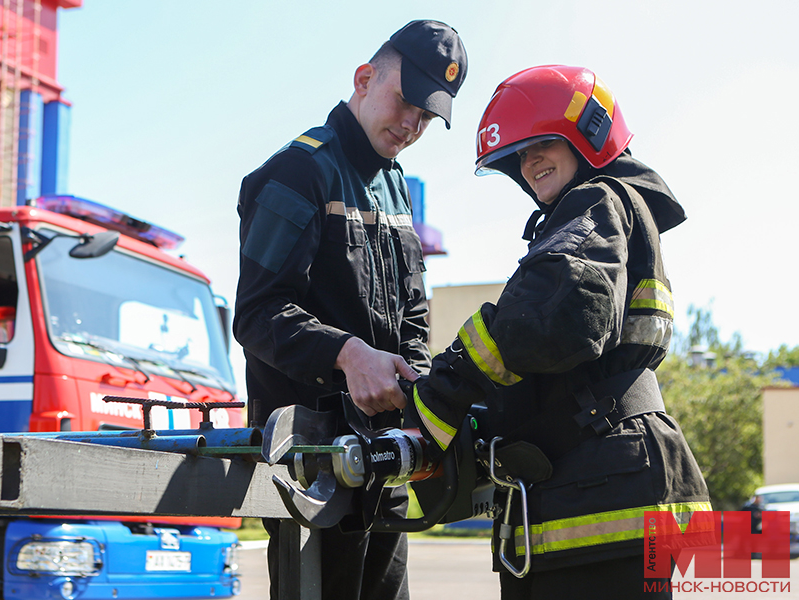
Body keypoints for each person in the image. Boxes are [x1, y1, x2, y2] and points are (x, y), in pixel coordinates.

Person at [404, 65, 711, 599]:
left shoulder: (596, 204)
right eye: (521, 154)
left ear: (589, 133)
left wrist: (439, 395)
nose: (530, 162)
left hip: (603, 501)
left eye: (544, 142)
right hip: (622, 482)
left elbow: (544, 324)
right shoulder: (613, 214)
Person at [233, 20, 468, 600]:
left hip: (387, 460)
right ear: (364, 79)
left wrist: (421, 394)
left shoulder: (395, 186)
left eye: (427, 117)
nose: (412, 125)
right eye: (405, 102)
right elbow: (256, 313)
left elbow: (412, 316)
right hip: (311, 466)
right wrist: (345, 355)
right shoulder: (299, 171)